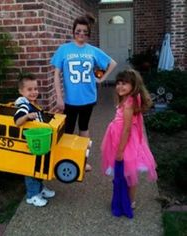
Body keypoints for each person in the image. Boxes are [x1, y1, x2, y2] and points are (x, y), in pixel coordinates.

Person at [51, 13, 117, 171]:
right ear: (73, 31)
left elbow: (111, 63)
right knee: (68, 130)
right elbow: (56, 74)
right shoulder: (64, 49)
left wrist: (100, 78)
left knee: (84, 128)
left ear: (88, 34)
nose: (81, 34)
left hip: (88, 97)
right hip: (70, 100)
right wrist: (59, 97)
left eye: (85, 32)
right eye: (78, 31)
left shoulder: (92, 51)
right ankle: (66, 159)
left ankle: (82, 160)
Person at [101, 69, 158, 209]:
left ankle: (130, 201)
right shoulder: (127, 99)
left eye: (125, 83)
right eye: (118, 83)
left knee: (130, 173)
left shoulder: (129, 104)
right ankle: (125, 197)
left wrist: (120, 151)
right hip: (118, 138)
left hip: (125, 141)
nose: (120, 86)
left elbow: (126, 128)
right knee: (126, 172)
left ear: (134, 85)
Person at [14, 73, 55, 207]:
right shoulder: (24, 106)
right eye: (29, 89)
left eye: (35, 89)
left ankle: (40, 189)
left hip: (37, 142)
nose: (34, 92)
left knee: (39, 166)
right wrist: (27, 116)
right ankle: (32, 195)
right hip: (29, 143)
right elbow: (17, 121)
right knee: (31, 169)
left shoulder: (33, 104)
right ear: (21, 91)